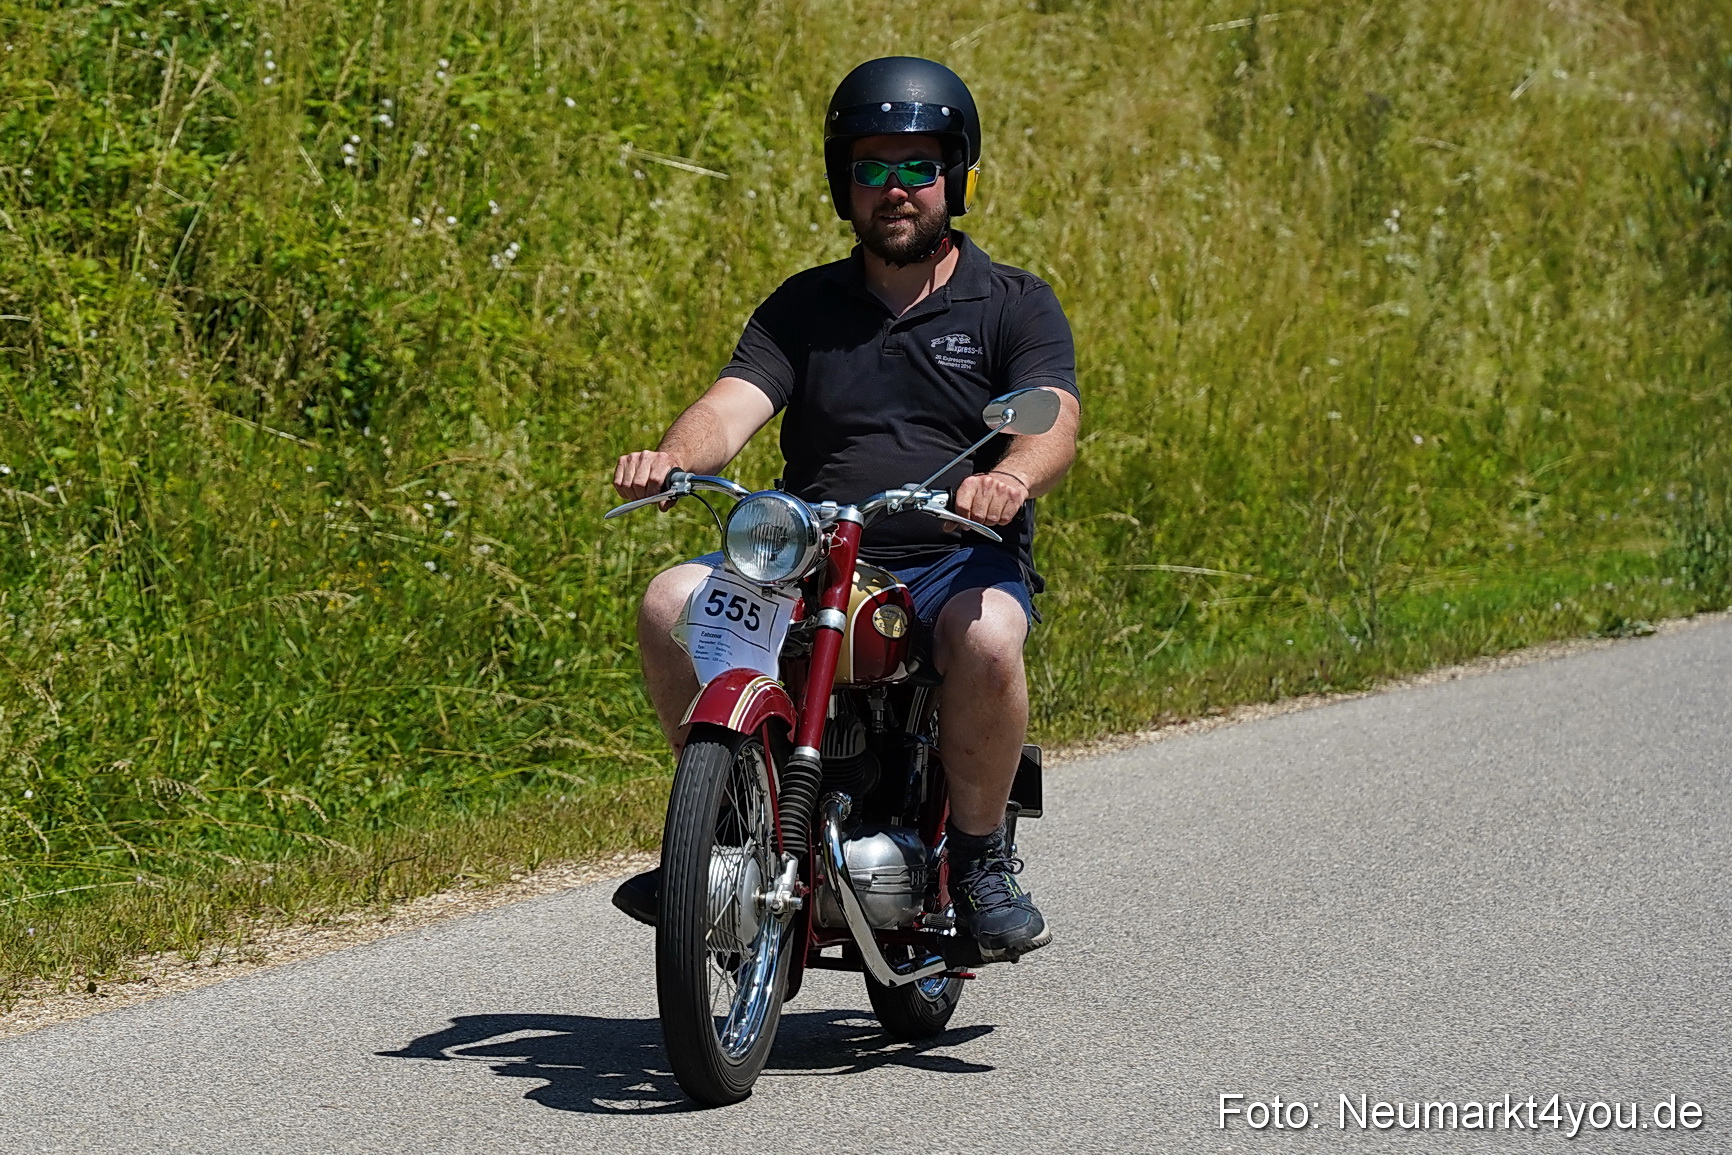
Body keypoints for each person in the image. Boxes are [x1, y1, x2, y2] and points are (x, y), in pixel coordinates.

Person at [610, 57, 1080, 961]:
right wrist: (673, 458)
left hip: (953, 554)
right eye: (872, 167)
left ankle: (979, 862)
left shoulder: (1012, 302)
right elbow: (731, 406)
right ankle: (722, 830)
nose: (895, 188)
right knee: (668, 602)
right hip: (812, 554)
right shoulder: (805, 306)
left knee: (989, 640)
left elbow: (1053, 414)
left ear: (955, 176)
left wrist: (1013, 478)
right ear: (844, 183)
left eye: (918, 166)